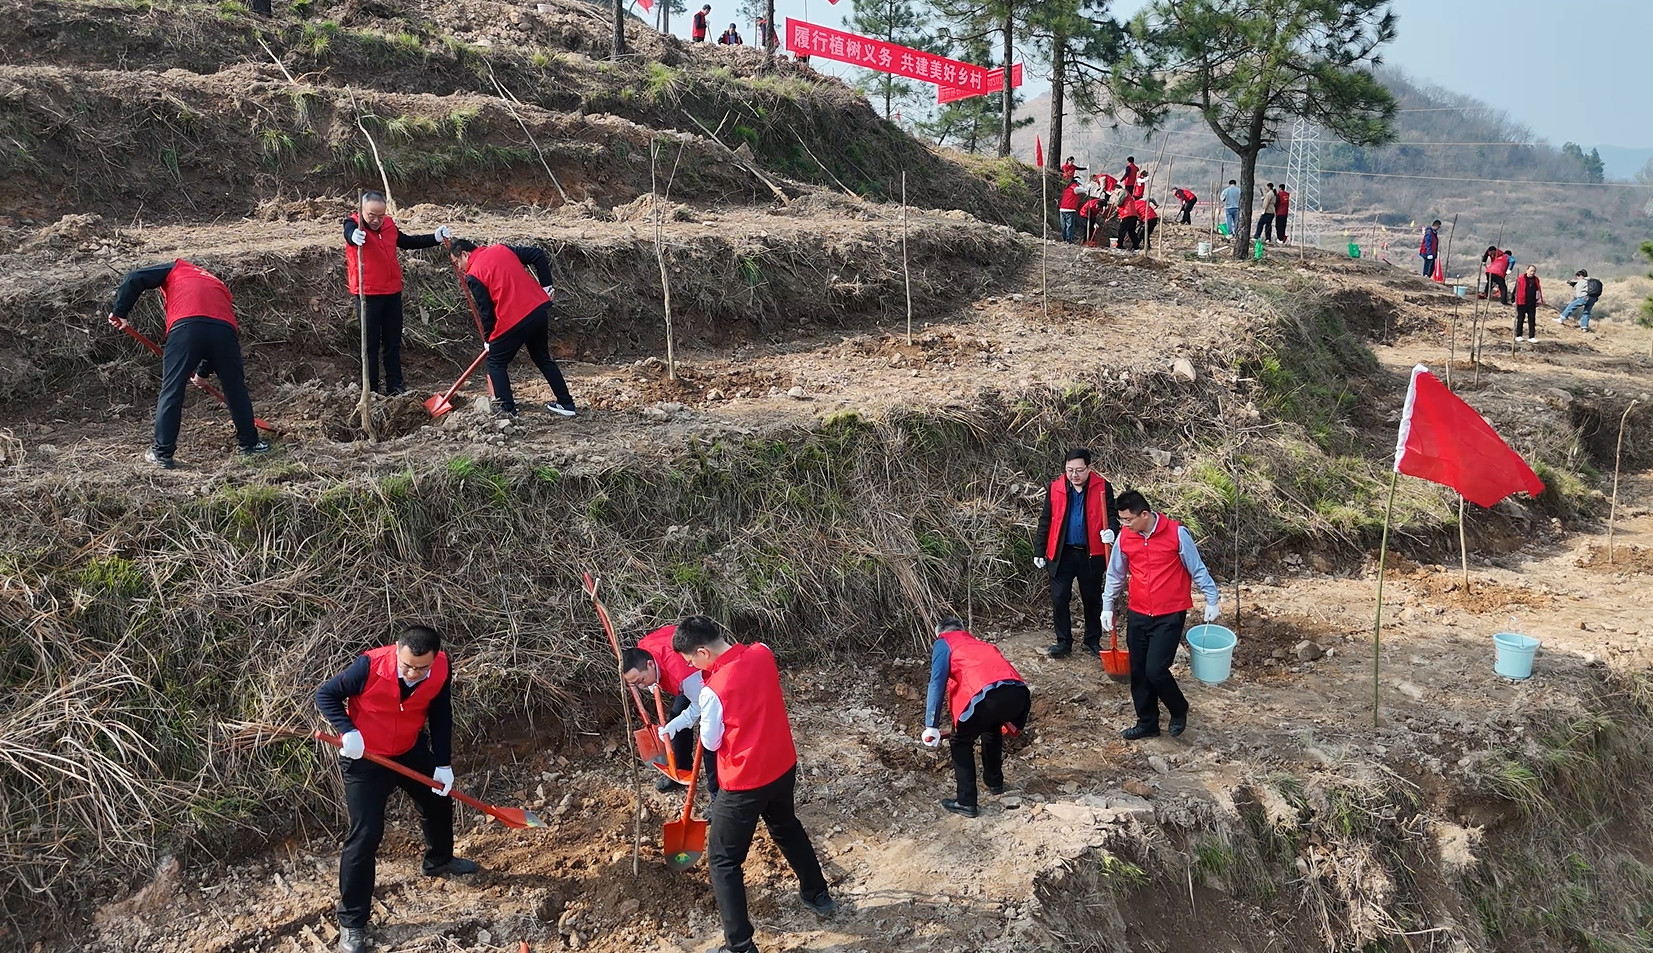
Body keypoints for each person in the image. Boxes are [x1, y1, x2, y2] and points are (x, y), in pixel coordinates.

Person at [673, 616, 835, 953]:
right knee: (786, 826)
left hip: (744, 781)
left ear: (703, 652)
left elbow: (712, 743)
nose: (691, 667)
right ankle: (817, 894)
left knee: (723, 861)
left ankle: (740, 945)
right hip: (781, 765)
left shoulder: (714, 690)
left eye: (690, 660)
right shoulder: (763, 652)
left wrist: (701, 715)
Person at [316, 626, 479, 953]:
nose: (412, 673)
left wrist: (443, 763)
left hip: (408, 748)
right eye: (406, 666)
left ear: (434, 659)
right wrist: (347, 730)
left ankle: (439, 860)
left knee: (437, 800)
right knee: (366, 834)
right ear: (397, 652)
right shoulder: (369, 666)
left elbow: (441, 713)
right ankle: (352, 922)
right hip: (366, 757)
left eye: (421, 668)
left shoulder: (441, 668)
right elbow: (326, 695)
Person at [107, 259, 270, 469]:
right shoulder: (217, 284)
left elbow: (134, 278)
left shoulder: (177, 268)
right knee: (235, 388)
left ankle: (162, 453)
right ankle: (250, 444)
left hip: (185, 329)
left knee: (172, 389)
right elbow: (211, 326)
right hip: (224, 331)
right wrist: (203, 372)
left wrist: (120, 312)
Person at [1102, 491, 1221, 741]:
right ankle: (1147, 722)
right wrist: (1107, 605)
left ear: (1144, 514)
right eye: (1121, 520)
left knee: (1155, 670)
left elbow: (1196, 568)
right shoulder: (1125, 537)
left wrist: (1211, 598)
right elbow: (1116, 574)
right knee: (1138, 671)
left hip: (1169, 614)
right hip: (1138, 612)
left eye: (1128, 519)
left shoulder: (1177, 533)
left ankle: (1179, 708)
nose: (1124, 525)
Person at [447, 239, 577, 417]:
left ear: (465, 254)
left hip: (514, 319)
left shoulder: (474, 274)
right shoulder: (501, 249)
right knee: (542, 357)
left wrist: (489, 340)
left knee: (495, 362)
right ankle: (567, 404)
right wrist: (546, 287)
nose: (459, 268)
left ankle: (507, 411)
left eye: (457, 263)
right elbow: (537, 254)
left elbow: (487, 312)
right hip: (538, 311)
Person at [919, 617, 1030, 818]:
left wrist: (931, 724)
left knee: (960, 741)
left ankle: (966, 801)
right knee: (991, 727)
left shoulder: (944, 642)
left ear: (940, 633)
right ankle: (995, 782)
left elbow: (937, 682)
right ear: (962, 629)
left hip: (985, 697)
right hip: (1018, 694)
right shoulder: (980, 643)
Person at [344, 192, 452, 396]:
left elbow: (407, 241)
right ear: (362, 211)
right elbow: (348, 232)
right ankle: (371, 388)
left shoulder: (389, 226)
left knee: (392, 342)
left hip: (392, 293)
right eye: (371, 215)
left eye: (381, 215)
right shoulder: (353, 225)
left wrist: (434, 238)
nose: (376, 220)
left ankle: (395, 384)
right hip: (368, 296)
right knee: (370, 345)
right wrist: (353, 236)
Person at [1033, 448, 1120, 659]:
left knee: (1092, 598)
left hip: (1091, 553)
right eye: (1069, 470)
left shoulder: (1103, 486)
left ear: (1089, 468)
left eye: (1079, 470)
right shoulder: (1055, 488)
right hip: (1061, 552)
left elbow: (1112, 515)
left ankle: (1092, 640)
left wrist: (1112, 531)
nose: (1074, 475)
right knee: (1059, 597)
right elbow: (1046, 520)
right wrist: (1039, 550)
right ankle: (1063, 641)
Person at [622, 624, 719, 795]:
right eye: (636, 684)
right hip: (684, 670)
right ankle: (681, 771)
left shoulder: (683, 676)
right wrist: (650, 683)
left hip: (709, 678)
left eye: (641, 680)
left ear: (650, 664)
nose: (641, 686)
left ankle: (716, 794)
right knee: (675, 718)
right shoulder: (644, 648)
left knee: (709, 738)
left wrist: (683, 721)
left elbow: (700, 704)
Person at [1512, 264, 1543, 343]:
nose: (1532, 273)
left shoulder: (1536, 279)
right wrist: (1513, 300)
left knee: (1532, 320)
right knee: (1520, 319)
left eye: (1534, 271)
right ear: (1527, 270)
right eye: (1531, 271)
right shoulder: (1520, 278)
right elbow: (1515, 290)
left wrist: (1539, 300)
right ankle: (1519, 335)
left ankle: (1531, 336)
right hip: (1522, 302)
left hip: (1532, 303)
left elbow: (1538, 290)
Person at [1058, 178, 1082, 243]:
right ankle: (1068, 239)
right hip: (1070, 209)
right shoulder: (1074, 187)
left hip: (1062, 208)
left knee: (1063, 225)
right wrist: (1088, 188)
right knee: (1069, 225)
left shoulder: (1067, 188)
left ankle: (1064, 238)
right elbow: (1081, 190)